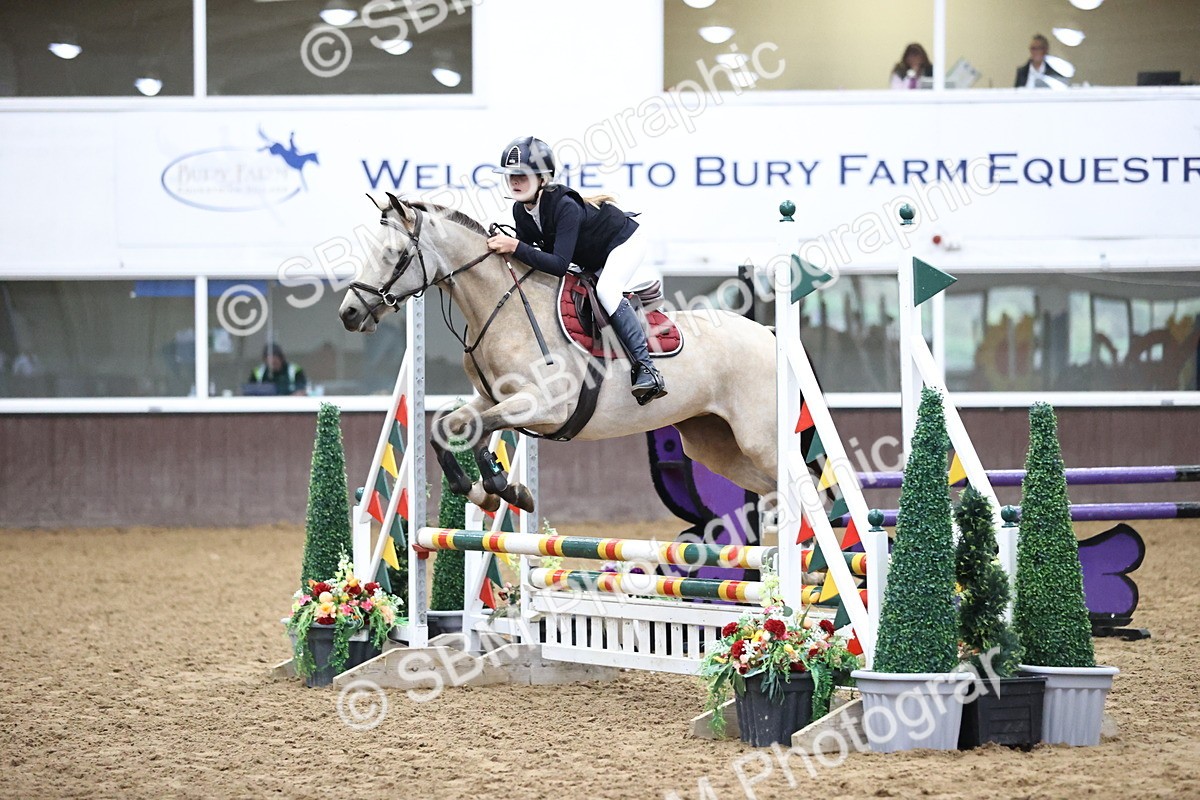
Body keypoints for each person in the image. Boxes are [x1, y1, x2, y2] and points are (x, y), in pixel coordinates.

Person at [485, 136, 667, 405]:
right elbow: (533, 259)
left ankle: (647, 367)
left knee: (606, 289)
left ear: (543, 179)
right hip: (588, 256)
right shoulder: (520, 211)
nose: (514, 181)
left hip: (622, 242)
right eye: (510, 175)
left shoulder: (564, 206)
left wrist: (514, 245)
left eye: (522, 175)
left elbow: (557, 265)